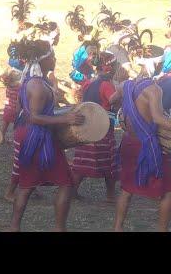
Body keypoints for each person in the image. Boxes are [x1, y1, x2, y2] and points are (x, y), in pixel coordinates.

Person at [9, 39, 84, 232]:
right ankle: (59, 228)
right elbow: (33, 117)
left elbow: (21, 111)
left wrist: (60, 111)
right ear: (44, 59)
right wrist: (65, 119)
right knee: (66, 183)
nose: (55, 59)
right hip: (38, 138)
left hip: (31, 136)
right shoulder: (39, 86)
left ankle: (14, 227)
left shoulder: (30, 81)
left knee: (26, 185)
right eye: (52, 56)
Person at [112, 77, 171, 231]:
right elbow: (158, 118)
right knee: (167, 190)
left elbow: (112, 99)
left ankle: (117, 228)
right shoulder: (155, 90)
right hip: (147, 144)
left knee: (126, 189)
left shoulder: (126, 84)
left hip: (129, 141)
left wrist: (128, 111)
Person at [70, 51, 119, 202]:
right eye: (116, 65)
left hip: (87, 128)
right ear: (109, 68)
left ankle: (72, 191)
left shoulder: (88, 83)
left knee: (82, 162)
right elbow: (113, 101)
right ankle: (110, 196)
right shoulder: (107, 85)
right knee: (110, 163)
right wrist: (124, 88)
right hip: (102, 130)